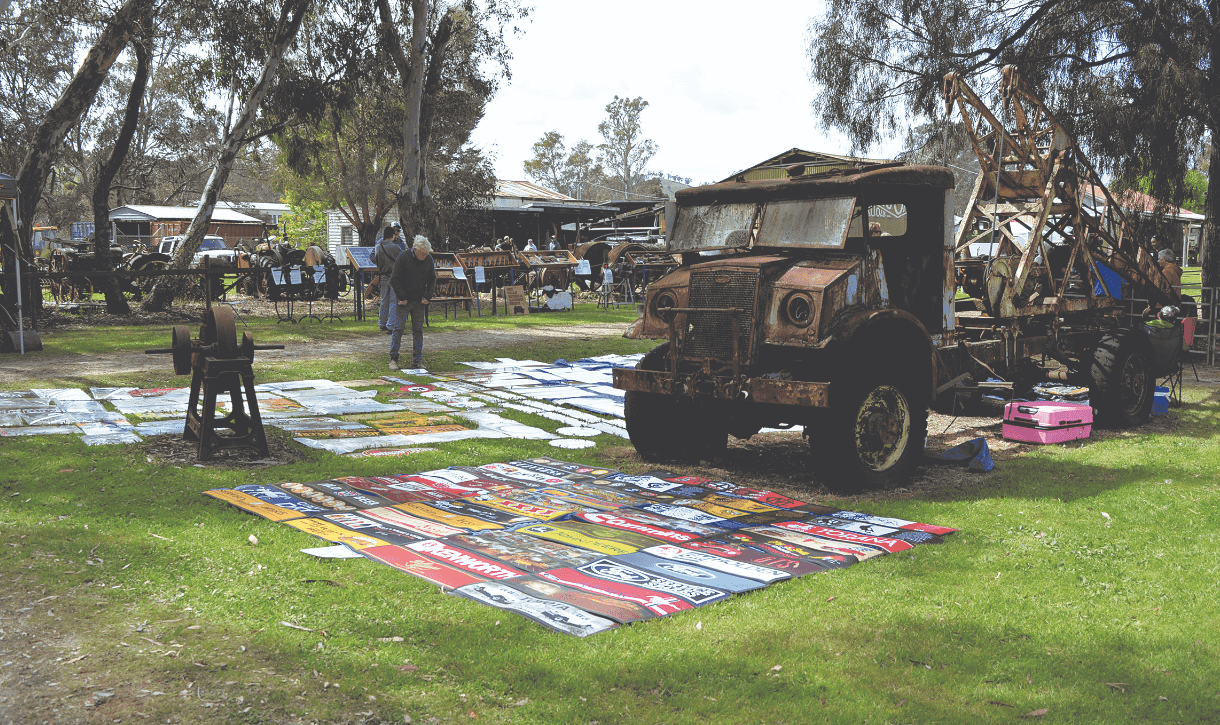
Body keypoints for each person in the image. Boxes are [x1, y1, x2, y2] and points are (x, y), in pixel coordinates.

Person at [388, 234, 436, 370]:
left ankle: (417, 360)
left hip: (420, 301)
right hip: (404, 300)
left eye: (426, 254)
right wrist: (401, 297)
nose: (424, 256)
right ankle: (393, 358)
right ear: (415, 249)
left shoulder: (428, 259)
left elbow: (432, 279)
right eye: (421, 253)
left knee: (418, 330)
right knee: (398, 329)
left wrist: (428, 296)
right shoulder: (403, 257)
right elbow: (394, 279)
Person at [374, 225, 403, 333]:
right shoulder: (395, 247)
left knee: (383, 300)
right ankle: (391, 325)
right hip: (394, 276)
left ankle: (382, 322)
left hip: (382, 276)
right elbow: (402, 260)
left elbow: (374, 259)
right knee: (393, 301)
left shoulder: (377, 247)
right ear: (392, 235)